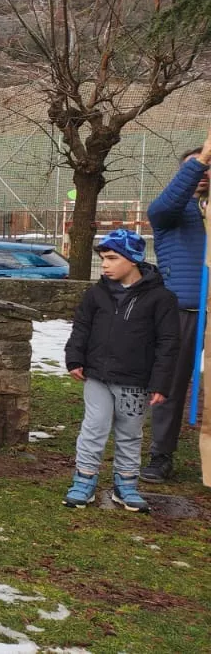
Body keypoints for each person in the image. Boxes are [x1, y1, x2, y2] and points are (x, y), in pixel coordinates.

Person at [61, 229, 178, 512]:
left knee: (130, 433)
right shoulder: (96, 294)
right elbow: (82, 327)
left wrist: (160, 383)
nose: (105, 264)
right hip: (97, 377)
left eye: (112, 258)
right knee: (94, 428)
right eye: (103, 258)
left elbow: (169, 343)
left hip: (135, 383)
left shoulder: (161, 299)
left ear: (133, 259)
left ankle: (125, 485)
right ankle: (84, 480)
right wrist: (74, 358)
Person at [141, 130, 211, 483]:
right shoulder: (169, 211)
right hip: (183, 312)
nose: (203, 175)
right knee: (168, 386)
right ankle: (160, 455)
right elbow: (166, 205)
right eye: (197, 169)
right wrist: (202, 157)